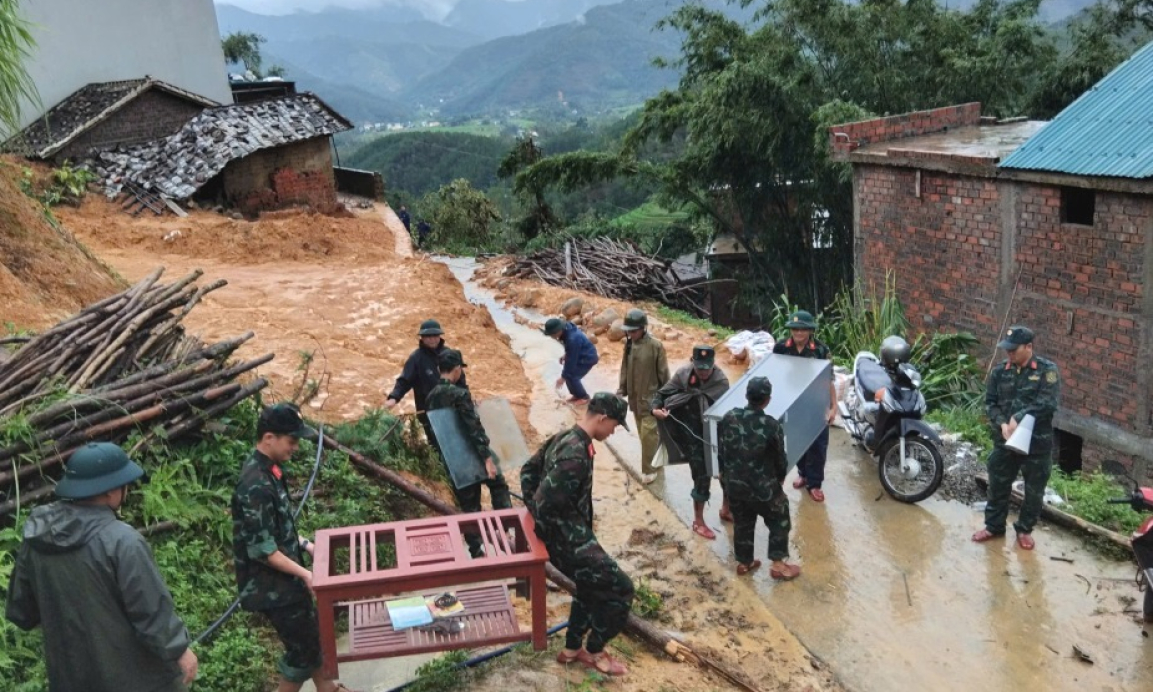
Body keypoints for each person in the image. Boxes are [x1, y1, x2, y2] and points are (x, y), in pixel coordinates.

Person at [5, 442, 198, 692]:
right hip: (137, 680)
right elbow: (150, 611)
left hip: (70, 678)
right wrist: (179, 650)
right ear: (111, 491)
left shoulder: (37, 537)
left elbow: (22, 611)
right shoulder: (122, 541)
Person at [232, 403, 352, 692]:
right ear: (269, 438)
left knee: (310, 645)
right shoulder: (255, 484)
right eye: (291, 440)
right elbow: (263, 550)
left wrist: (305, 545)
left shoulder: (270, 471)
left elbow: (276, 529)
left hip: (284, 582)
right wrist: (306, 574)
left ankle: (330, 689)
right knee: (303, 653)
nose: (295, 447)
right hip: (273, 588)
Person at [521, 392, 634, 677]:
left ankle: (572, 648)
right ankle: (595, 650)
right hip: (568, 540)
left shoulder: (566, 437)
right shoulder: (575, 452)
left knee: (588, 583)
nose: (614, 431)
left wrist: (536, 512)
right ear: (602, 417)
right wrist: (558, 532)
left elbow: (528, 471)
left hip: (571, 534)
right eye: (615, 425)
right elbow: (546, 501)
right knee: (621, 589)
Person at [972, 326, 1061, 551]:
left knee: (1034, 491)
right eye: (1007, 350)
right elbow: (990, 403)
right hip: (1005, 441)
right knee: (998, 484)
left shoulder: (1046, 371)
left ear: (1028, 347)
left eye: (1014, 350)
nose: (1009, 354)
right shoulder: (1000, 371)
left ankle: (1024, 530)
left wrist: (1019, 417)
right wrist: (1002, 423)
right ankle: (994, 526)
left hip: (1036, 444)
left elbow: (1048, 403)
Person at [426, 348, 512, 557]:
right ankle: (505, 530)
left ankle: (476, 550)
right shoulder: (460, 394)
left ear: (439, 369)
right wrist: (487, 458)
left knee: (469, 505)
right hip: (471, 452)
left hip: (452, 458)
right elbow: (473, 427)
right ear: (456, 370)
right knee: (498, 484)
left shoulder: (431, 396)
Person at [719, 377, 801, 580]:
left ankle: (744, 562)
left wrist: (725, 476)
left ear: (746, 395)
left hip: (735, 485)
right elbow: (780, 458)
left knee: (743, 521)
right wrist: (780, 479)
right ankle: (778, 564)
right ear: (767, 400)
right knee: (780, 515)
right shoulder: (771, 425)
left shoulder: (729, 417)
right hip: (762, 487)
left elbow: (721, 450)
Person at [652, 345, 731, 539]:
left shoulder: (720, 381)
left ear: (713, 364)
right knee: (701, 475)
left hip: (715, 432)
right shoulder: (683, 375)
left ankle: (726, 509)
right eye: (700, 367)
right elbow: (661, 394)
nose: (703, 372)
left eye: (707, 368)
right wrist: (655, 409)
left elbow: (728, 409)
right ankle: (698, 521)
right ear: (692, 362)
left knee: (727, 472)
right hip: (691, 432)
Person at [773, 310, 837, 503]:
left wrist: (833, 406)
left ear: (810, 330)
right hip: (792, 401)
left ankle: (815, 483)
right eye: (795, 329)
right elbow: (775, 374)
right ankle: (803, 474)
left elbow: (829, 379)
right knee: (795, 440)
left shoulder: (820, 350)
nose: (799, 333)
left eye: (803, 329)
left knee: (818, 444)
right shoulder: (781, 348)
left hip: (816, 401)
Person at [385, 318, 468, 450]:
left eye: (435, 336)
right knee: (436, 444)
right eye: (428, 336)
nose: (432, 339)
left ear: (440, 336)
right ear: (422, 338)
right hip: (428, 411)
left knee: (458, 440)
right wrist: (394, 398)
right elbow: (405, 381)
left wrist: (467, 398)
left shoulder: (449, 355)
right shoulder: (416, 359)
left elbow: (461, 381)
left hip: (451, 407)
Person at [617, 308, 669, 484]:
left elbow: (664, 375)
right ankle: (657, 459)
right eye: (628, 331)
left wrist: (666, 399)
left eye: (634, 331)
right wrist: (621, 389)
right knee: (644, 434)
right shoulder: (629, 344)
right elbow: (624, 368)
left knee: (648, 435)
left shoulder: (656, 346)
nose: (631, 334)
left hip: (651, 400)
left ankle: (649, 469)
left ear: (643, 328)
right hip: (635, 399)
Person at [544, 317, 600, 405]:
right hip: (580, 353)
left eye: (552, 335)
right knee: (569, 376)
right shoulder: (566, 329)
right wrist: (566, 354)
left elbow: (571, 362)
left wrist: (562, 377)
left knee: (573, 377)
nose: (552, 337)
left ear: (558, 331)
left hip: (587, 358)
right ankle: (576, 395)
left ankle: (584, 397)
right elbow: (571, 350)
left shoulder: (572, 339)